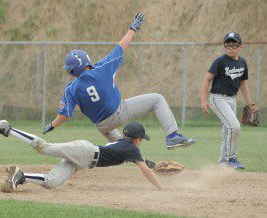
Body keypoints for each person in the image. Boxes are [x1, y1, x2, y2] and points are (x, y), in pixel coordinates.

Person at [43, 12, 196, 150]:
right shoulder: (102, 69)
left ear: (71, 71)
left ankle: (145, 164)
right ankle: (172, 136)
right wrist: (133, 28)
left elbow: (64, 115)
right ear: (86, 61)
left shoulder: (71, 88)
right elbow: (122, 46)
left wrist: (52, 125)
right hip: (119, 113)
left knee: (125, 151)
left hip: (102, 127)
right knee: (157, 99)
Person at [0, 120, 164, 191]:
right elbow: (144, 170)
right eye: (142, 139)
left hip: (83, 161)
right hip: (85, 152)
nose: (141, 142)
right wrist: (160, 187)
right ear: (138, 139)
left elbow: (143, 163)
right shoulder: (132, 149)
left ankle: (21, 176)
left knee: (51, 182)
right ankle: (7, 129)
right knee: (44, 148)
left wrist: (157, 166)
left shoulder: (124, 144)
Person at [200, 32, 253, 169]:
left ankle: (223, 164)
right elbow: (207, 79)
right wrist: (203, 100)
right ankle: (232, 158)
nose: (231, 47)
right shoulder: (220, 61)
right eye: (228, 45)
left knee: (227, 132)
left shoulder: (242, 62)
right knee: (234, 127)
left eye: (234, 45)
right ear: (225, 46)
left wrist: (249, 103)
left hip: (232, 100)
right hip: (218, 98)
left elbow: (243, 83)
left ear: (240, 46)